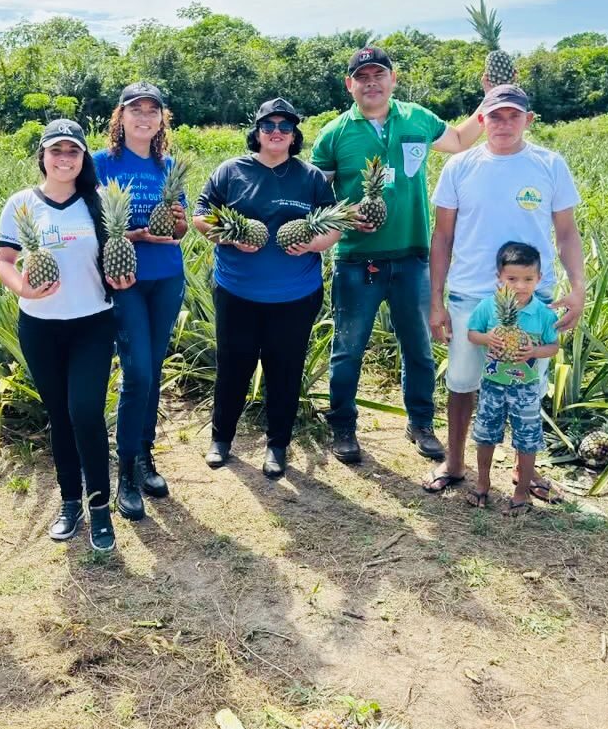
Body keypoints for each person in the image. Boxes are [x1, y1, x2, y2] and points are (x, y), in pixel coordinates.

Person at [311, 46, 485, 464]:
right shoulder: (334, 133)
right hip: (355, 259)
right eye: (362, 76)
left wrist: (489, 101)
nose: (371, 82)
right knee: (348, 348)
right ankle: (344, 427)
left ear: (392, 79)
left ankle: (420, 422)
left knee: (419, 345)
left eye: (379, 74)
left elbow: (460, 141)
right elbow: (315, 200)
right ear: (349, 84)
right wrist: (348, 216)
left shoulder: (418, 119)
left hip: (412, 256)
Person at [425, 84, 584, 498]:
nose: (504, 123)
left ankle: (524, 470)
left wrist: (579, 287)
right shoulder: (459, 166)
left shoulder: (549, 164)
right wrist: (436, 300)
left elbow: (567, 234)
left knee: (527, 383)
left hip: (534, 300)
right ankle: (456, 462)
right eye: (495, 116)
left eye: (514, 115)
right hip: (470, 296)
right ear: (482, 119)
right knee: (462, 382)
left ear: (528, 120)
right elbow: (441, 238)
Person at [0, 119, 134, 552]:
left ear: (83, 158)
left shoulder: (96, 203)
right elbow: (3, 261)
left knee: (86, 412)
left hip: (92, 321)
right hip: (39, 325)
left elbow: (118, 255)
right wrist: (23, 288)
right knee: (60, 415)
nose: (64, 158)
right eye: (56, 150)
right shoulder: (21, 204)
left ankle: (99, 509)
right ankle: (70, 501)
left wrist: (125, 277)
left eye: (73, 151)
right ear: (43, 156)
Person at [193, 98, 339, 479]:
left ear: (294, 135)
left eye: (285, 127)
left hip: (295, 295)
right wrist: (230, 237)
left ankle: (277, 445)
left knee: (285, 370)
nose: (277, 132)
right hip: (236, 291)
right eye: (269, 125)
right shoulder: (230, 171)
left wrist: (311, 244)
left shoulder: (309, 177)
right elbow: (200, 215)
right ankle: (221, 438)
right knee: (233, 366)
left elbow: (334, 227)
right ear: (256, 132)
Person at [93, 82, 187, 521]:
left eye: (153, 110)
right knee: (138, 372)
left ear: (161, 119)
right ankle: (126, 471)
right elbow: (89, 226)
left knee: (154, 368)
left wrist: (178, 224)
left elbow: (179, 231)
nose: (144, 117)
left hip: (167, 277)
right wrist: (130, 236)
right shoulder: (100, 163)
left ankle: (145, 455)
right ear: (121, 117)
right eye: (136, 110)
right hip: (124, 279)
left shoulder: (167, 166)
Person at [465, 242, 559, 515]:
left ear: (539, 279)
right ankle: (483, 482)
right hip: (492, 386)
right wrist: (487, 337)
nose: (520, 286)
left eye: (528, 279)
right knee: (485, 436)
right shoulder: (488, 307)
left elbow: (553, 346)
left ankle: (521, 491)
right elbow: (472, 334)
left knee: (527, 440)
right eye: (512, 279)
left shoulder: (543, 313)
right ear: (499, 279)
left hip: (527, 389)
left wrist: (534, 351)